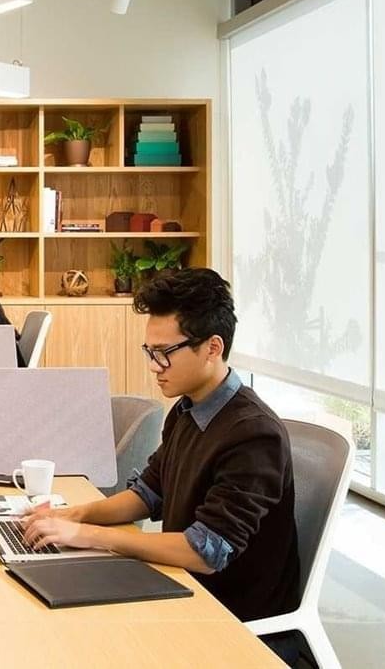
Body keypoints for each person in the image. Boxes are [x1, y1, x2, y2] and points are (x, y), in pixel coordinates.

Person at [20, 269, 301, 661]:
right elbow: (146, 494)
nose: (154, 365)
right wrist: (72, 515)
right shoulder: (187, 411)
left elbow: (205, 551)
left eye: (164, 353)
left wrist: (88, 535)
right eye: (149, 351)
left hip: (224, 616)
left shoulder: (253, 435)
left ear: (212, 348)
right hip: (181, 585)